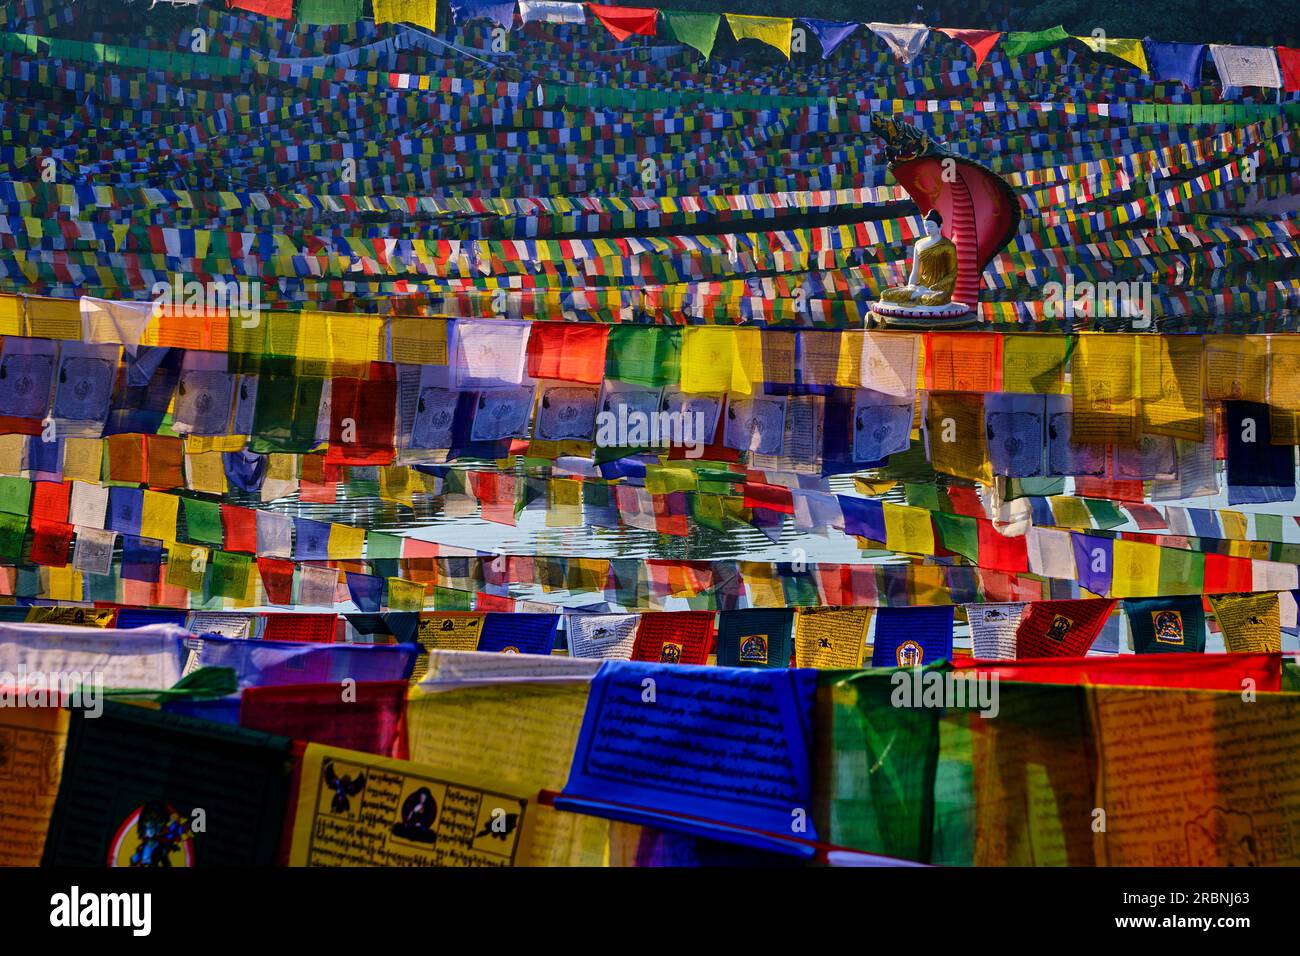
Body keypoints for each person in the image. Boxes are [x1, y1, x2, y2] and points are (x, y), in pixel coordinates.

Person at [879, 210, 959, 306]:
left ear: (940, 226)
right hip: (920, 287)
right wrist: (910, 287)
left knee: (932, 299)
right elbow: (915, 270)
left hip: (938, 290)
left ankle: (917, 296)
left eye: (931, 226)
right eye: (926, 226)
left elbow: (952, 274)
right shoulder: (919, 244)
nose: (927, 229)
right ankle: (915, 295)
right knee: (885, 294)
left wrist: (932, 288)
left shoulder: (948, 246)